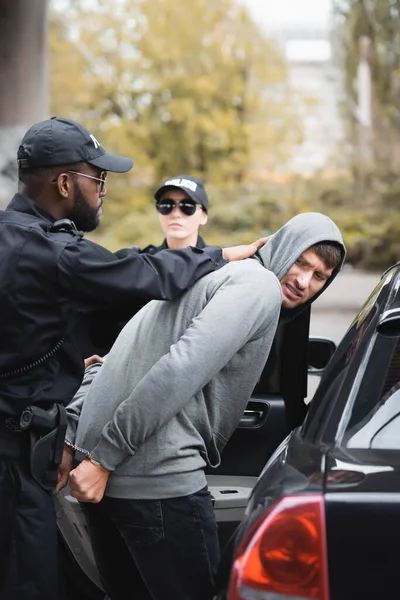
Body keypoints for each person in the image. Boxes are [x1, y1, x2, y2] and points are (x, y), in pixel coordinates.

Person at [0, 116, 266, 600]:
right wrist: (223, 256)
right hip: (14, 464)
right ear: (64, 182)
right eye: (97, 178)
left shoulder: (10, 235)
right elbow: (140, 274)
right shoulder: (54, 252)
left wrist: (50, 369)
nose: (103, 189)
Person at [61, 212, 346, 600]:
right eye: (300, 262)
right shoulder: (257, 287)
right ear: (277, 246)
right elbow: (180, 368)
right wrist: (102, 460)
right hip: (154, 481)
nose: (303, 281)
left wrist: (82, 445)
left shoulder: (214, 273)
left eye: (319, 277)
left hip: (115, 486)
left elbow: (110, 363)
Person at [141, 174, 209, 253]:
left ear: (203, 216)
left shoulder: (221, 262)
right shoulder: (143, 262)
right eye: (166, 205)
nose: (176, 214)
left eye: (187, 206)